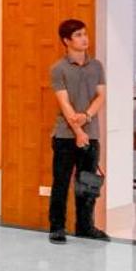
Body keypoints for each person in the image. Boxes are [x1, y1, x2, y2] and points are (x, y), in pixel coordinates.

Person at [48, 18, 107, 244]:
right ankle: (57, 227)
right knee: (61, 182)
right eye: (78, 35)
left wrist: (88, 116)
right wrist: (79, 132)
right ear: (66, 40)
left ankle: (85, 226)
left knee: (87, 183)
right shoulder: (58, 69)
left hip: (91, 133)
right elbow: (64, 103)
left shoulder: (96, 66)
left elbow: (101, 96)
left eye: (85, 34)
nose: (84, 39)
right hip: (65, 135)